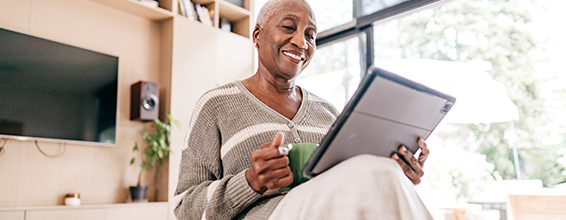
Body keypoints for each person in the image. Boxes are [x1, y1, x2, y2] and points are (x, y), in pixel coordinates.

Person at [173, 0, 431, 219]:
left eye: (310, 35)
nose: (301, 42)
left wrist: (396, 173)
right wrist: (251, 181)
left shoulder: (328, 112)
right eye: (288, 27)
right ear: (257, 35)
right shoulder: (217, 104)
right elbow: (183, 208)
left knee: (382, 171)